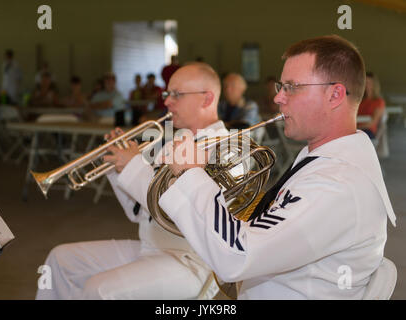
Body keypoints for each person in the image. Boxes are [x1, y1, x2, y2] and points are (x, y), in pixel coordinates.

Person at [157, 35, 397, 299]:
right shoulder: (322, 159)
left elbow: (238, 257)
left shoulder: (338, 183)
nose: (279, 98)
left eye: (292, 87)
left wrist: (192, 174)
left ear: (335, 94)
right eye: (281, 87)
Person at [35, 62, 229, 300]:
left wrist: (134, 166)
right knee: (60, 260)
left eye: (176, 95)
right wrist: (117, 166)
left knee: (99, 290)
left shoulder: (226, 149)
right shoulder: (174, 142)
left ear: (207, 99)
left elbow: (177, 212)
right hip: (151, 247)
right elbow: (139, 213)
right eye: (167, 94)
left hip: (190, 260)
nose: (166, 102)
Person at [357, 72, 386, 139]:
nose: (367, 85)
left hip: (368, 131)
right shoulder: (359, 100)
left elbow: (373, 122)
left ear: (374, 85)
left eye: (369, 83)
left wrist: (355, 128)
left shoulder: (379, 101)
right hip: (356, 130)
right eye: (365, 83)